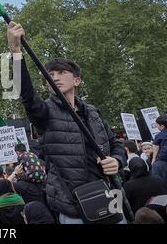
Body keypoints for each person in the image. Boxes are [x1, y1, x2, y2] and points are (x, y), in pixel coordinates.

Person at [7, 21, 127, 224]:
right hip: (72, 205)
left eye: (62, 73)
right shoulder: (44, 112)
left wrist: (117, 161)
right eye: (51, 75)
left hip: (108, 197)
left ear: (77, 80)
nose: (55, 78)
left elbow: (115, 144)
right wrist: (16, 52)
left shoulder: (93, 112)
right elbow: (27, 96)